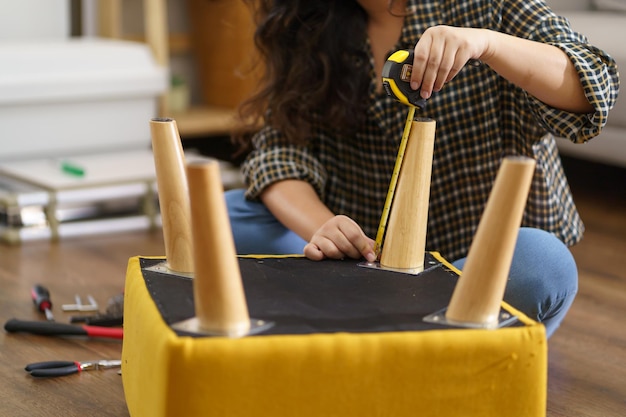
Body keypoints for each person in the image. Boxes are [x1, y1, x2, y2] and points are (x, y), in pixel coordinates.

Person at [225, 0, 620, 337]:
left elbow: (594, 83)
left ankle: (384, 334)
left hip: (472, 269)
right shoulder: (308, 21)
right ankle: (384, 329)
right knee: (224, 215)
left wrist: (487, 43)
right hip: (359, 268)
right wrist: (323, 228)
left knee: (543, 265)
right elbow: (278, 152)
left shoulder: (487, 5)